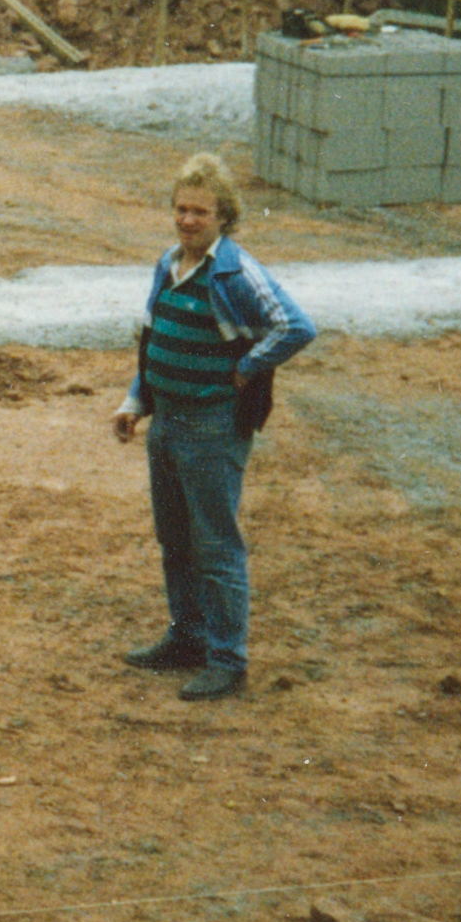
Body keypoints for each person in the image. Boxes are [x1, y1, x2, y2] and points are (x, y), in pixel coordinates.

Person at [109, 153, 316, 701]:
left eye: (200, 211)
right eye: (181, 209)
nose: (188, 220)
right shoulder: (167, 264)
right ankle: (187, 639)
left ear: (224, 216)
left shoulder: (234, 271)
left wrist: (248, 368)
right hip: (169, 422)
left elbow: (296, 326)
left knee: (215, 544)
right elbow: (153, 339)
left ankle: (227, 658)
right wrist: (135, 400)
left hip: (211, 425)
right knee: (174, 538)